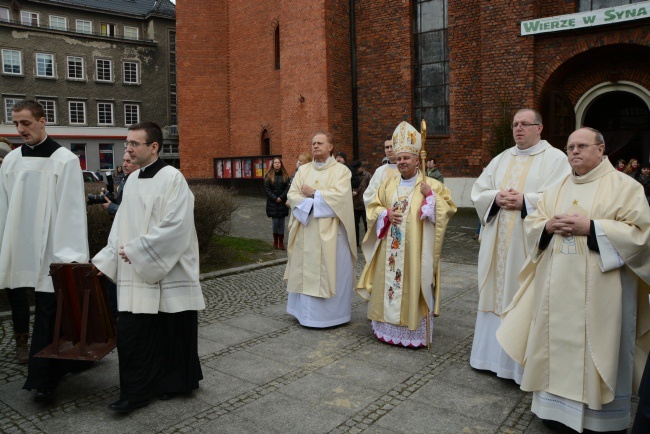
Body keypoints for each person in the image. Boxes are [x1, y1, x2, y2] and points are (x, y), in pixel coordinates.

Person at [497, 127, 650, 432]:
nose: (574, 152)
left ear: (600, 149)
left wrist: (592, 228)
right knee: (551, 346)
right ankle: (554, 412)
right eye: (569, 148)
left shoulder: (624, 187)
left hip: (603, 295)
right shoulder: (557, 188)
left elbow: (641, 235)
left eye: (582, 146)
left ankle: (599, 420)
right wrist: (548, 226)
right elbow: (533, 222)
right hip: (555, 291)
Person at [92, 121, 205, 413]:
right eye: (127, 143)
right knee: (133, 334)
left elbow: (177, 226)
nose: (127, 148)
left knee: (170, 330)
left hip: (166, 269)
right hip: (134, 269)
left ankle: (173, 383)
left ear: (153, 147)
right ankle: (135, 392)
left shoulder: (172, 178)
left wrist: (140, 251)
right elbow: (121, 225)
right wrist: (107, 259)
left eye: (134, 143)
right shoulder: (132, 180)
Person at [470, 108, 570, 383]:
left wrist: (525, 201)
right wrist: (496, 197)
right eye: (515, 124)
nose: (518, 129)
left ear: (540, 128)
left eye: (525, 124)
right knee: (494, 292)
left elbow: (560, 196)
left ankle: (519, 367)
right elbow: (479, 190)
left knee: (522, 296)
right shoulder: (502, 158)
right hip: (497, 243)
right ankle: (487, 358)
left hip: (527, 245)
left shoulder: (556, 159)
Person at [0, 100, 90, 400]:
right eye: (15, 124)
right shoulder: (12, 162)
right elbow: (4, 206)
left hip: (53, 248)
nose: (20, 129)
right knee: (25, 302)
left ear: (42, 121)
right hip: (21, 245)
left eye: (25, 123)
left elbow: (73, 209)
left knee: (50, 310)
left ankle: (42, 379)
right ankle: (59, 364)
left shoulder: (64, 160)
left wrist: (70, 257)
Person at [356, 121, 456, 347]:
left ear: (416, 160)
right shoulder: (388, 184)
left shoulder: (431, 184)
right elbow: (373, 206)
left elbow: (448, 208)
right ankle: (386, 328)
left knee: (413, 281)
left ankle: (414, 331)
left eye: (406, 158)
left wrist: (431, 197)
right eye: (399, 158)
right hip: (389, 250)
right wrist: (385, 214)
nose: (401, 162)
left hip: (415, 252)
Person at [284, 131, 357, 328]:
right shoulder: (303, 170)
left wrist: (313, 194)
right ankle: (303, 314)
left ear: (330, 147)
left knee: (329, 269)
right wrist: (309, 202)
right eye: (313, 143)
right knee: (303, 269)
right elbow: (292, 195)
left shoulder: (342, 171)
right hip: (306, 230)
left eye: (320, 143)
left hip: (331, 234)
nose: (315, 146)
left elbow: (341, 197)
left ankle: (330, 317)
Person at [264, 157, 290, 250]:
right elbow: (267, 189)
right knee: (275, 222)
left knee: (282, 223)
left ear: (281, 164)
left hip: (282, 203)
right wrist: (275, 198)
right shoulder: (268, 175)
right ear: (273, 164)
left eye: (279, 162)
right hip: (273, 203)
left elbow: (288, 188)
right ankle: (275, 241)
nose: (277, 164)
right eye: (275, 162)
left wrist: (281, 197)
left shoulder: (285, 175)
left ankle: (281, 242)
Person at [363, 138, 399, 208]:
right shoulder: (379, 171)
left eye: (392, 147)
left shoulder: (406, 169)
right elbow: (369, 194)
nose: (389, 150)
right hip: (383, 211)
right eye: (387, 147)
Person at [102, 151, 140, 217]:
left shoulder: (140, 182)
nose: (124, 165)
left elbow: (134, 211)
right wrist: (109, 197)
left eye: (128, 161)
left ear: (139, 163)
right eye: (124, 161)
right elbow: (121, 203)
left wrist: (111, 207)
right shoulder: (125, 179)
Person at [350, 160, 371, 247]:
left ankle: (368, 242)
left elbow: (372, 189)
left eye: (356, 169)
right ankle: (356, 243)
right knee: (355, 225)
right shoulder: (352, 175)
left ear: (360, 168)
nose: (355, 171)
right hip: (355, 204)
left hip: (364, 204)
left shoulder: (367, 175)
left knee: (367, 224)